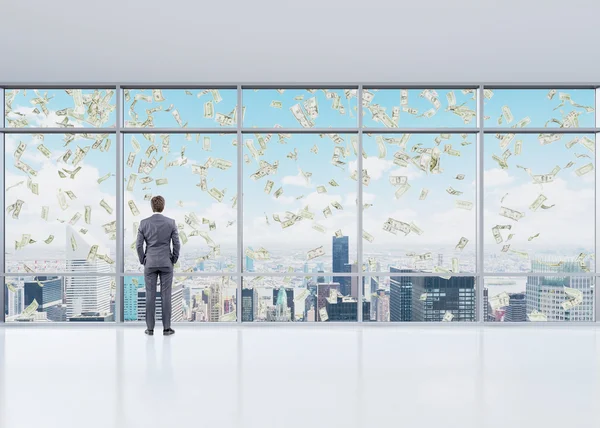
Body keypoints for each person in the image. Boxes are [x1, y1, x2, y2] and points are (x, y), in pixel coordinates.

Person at [136, 196, 180, 336]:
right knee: (166, 296)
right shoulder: (171, 223)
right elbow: (177, 244)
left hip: (150, 263)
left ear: (151, 207)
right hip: (166, 263)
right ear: (163, 206)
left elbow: (138, 245)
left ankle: (150, 329)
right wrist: (173, 259)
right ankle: (167, 329)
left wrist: (143, 259)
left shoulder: (144, 223)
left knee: (150, 296)